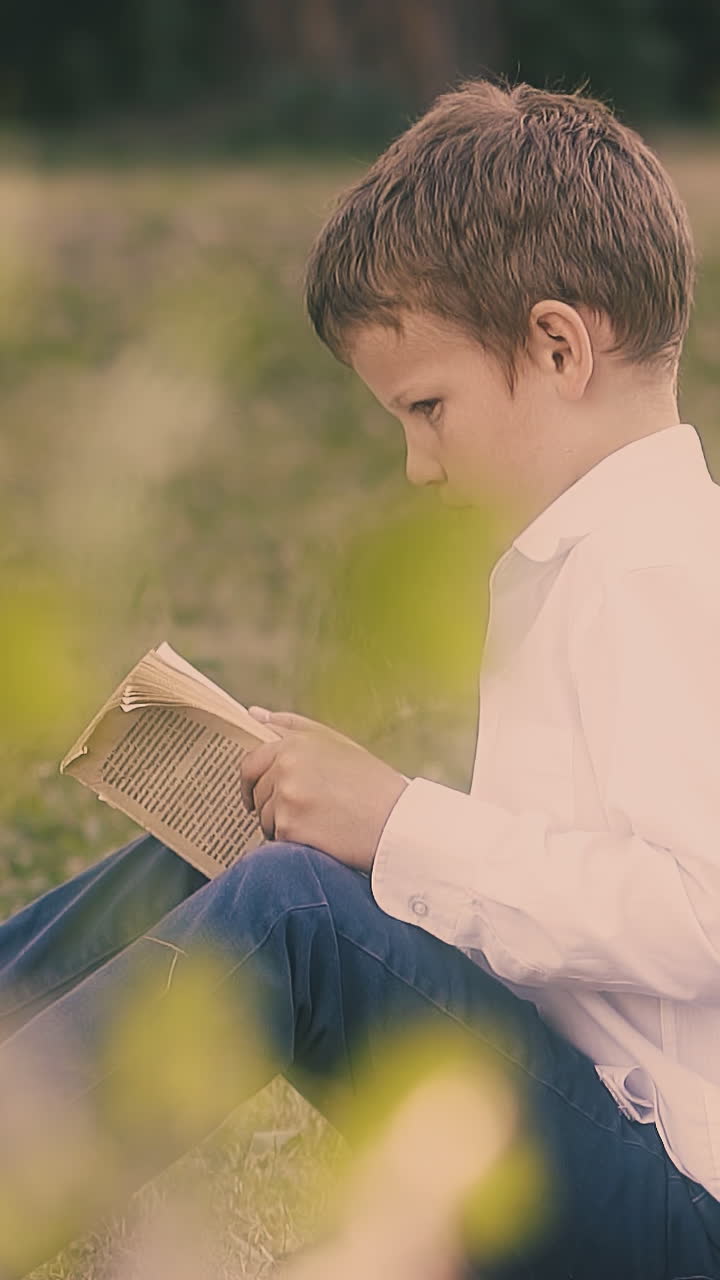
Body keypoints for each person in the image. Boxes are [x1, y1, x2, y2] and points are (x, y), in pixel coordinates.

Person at [1, 77, 719, 1279]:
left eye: (427, 408)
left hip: (677, 1197)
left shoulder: (664, 566)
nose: (417, 464)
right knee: (246, 835)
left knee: (294, 901)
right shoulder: (573, 560)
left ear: (558, 345)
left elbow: (699, 914)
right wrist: (361, 825)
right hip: (591, 1113)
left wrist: (397, 824)